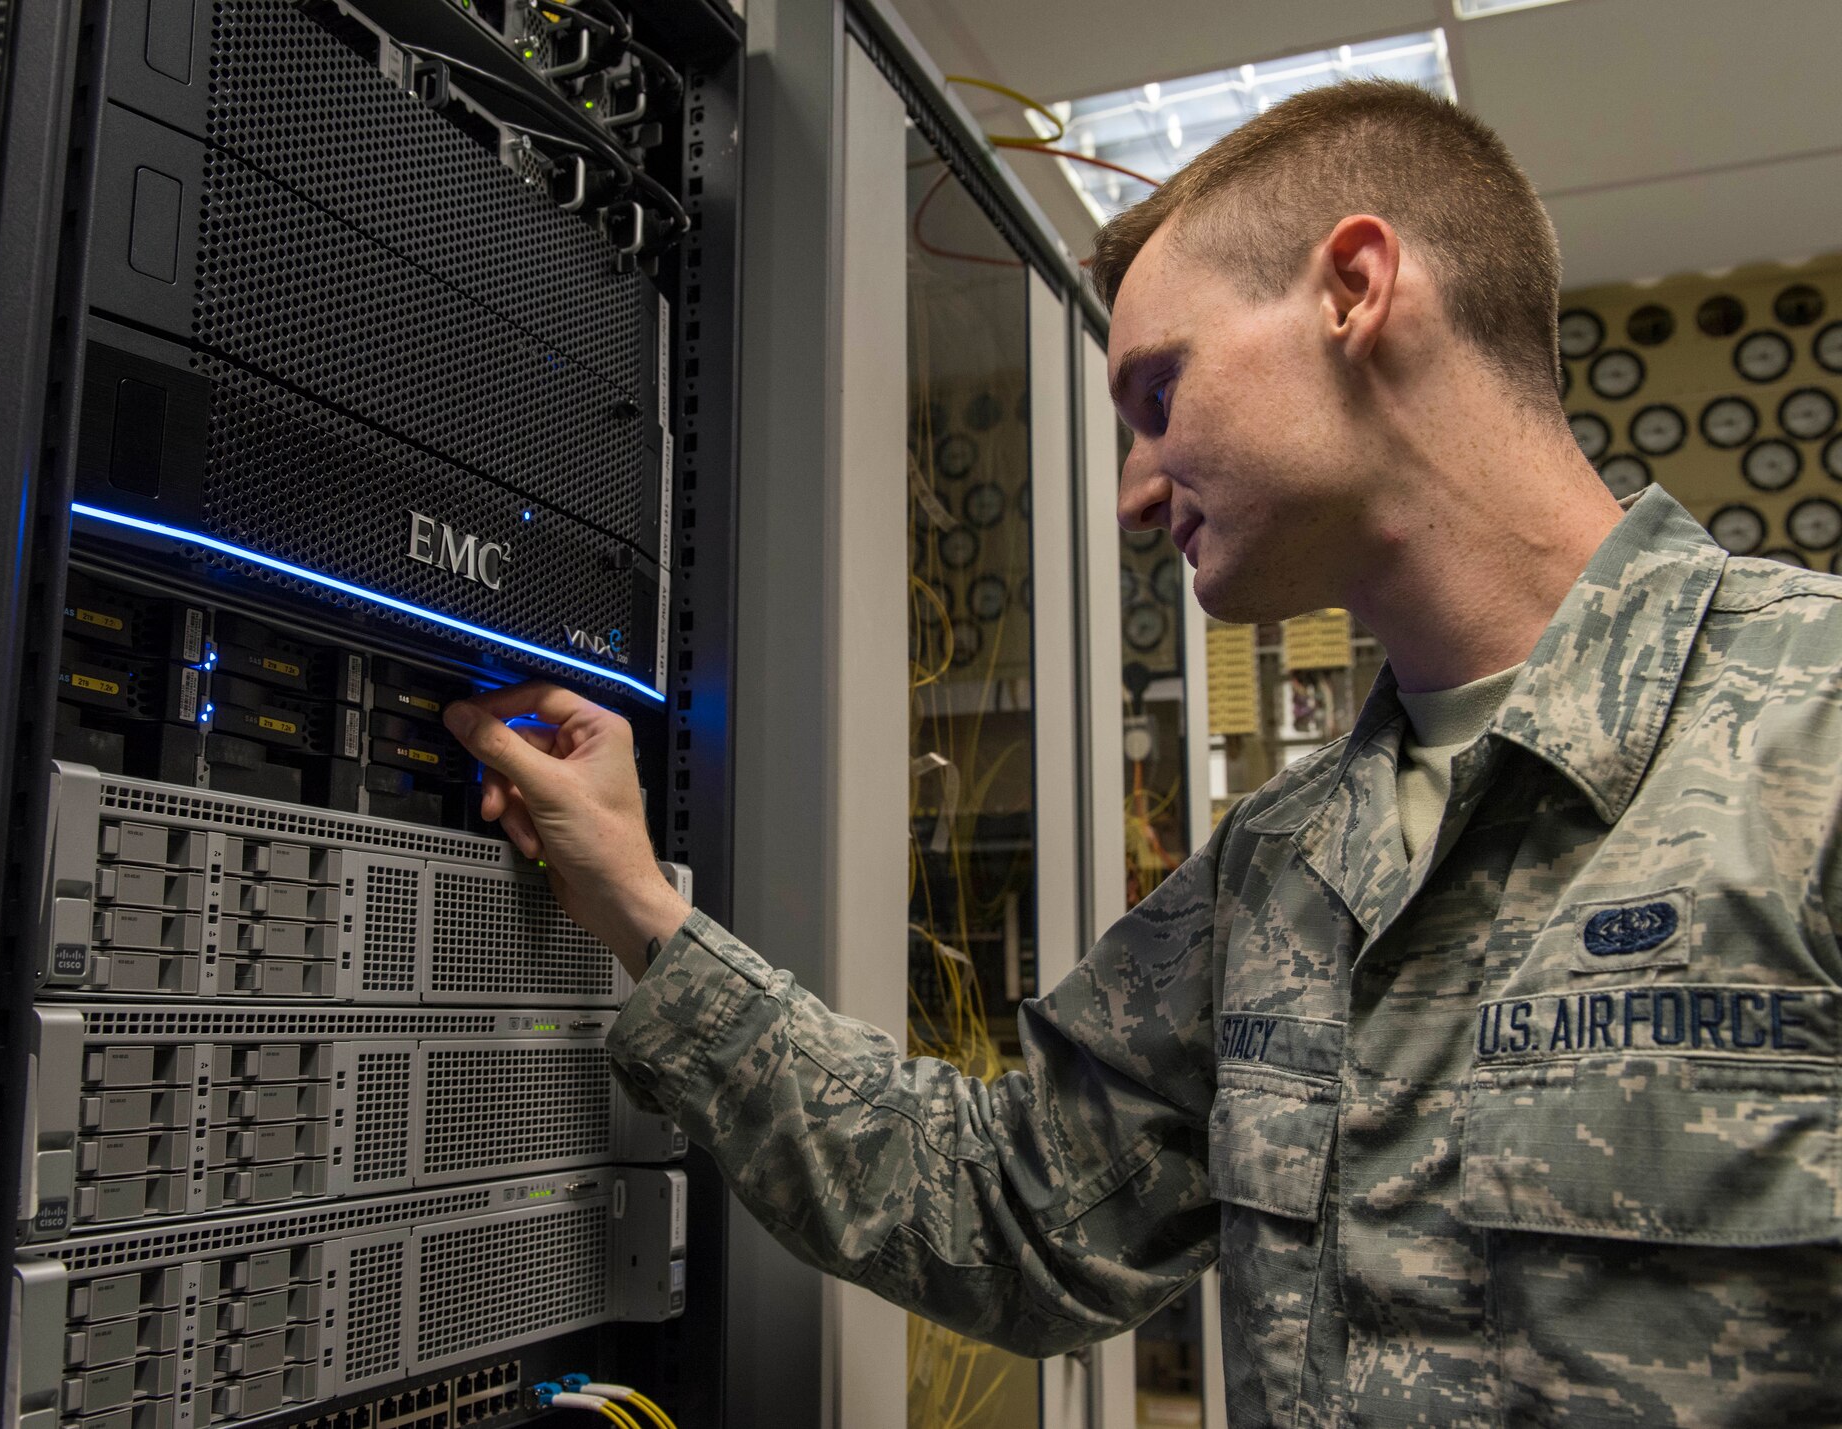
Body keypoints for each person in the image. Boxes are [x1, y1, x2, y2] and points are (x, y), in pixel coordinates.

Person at [441, 79, 1842, 1427]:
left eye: (1158, 394)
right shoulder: (1289, 867)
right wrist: (636, 901)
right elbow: (999, 1209)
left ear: (1355, 291)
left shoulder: (1814, 730)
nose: (1130, 492)